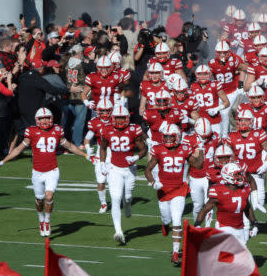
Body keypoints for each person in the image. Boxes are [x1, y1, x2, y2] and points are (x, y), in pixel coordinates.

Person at [0, 108, 88, 237]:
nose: (45, 120)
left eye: (47, 118)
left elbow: (69, 146)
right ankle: (41, 219)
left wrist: (85, 155)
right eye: (42, 118)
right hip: (37, 172)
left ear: (51, 118)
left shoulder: (57, 130)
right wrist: (2, 162)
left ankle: (47, 221)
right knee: (39, 200)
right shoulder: (31, 131)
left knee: (49, 197)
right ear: (37, 120)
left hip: (52, 170)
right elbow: (19, 149)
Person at [145, 123, 203, 264]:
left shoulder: (184, 148)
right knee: (167, 218)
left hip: (179, 189)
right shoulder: (158, 149)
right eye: (166, 137)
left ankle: (176, 253)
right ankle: (165, 224)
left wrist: (200, 149)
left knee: (177, 221)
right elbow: (148, 170)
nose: (168, 140)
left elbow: (198, 165)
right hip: (163, 190)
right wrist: (153, 182)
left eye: (171, 137)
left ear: (177, 137)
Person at [99, 105, 146, 244]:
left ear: (127, 118)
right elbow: (102, 147)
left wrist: (136, 158)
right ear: (113, 118)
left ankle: (128, 206)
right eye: (117, 118)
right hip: (115, 168)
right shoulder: (107, 129)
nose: (119, 121)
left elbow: (144, 149)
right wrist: (102, 163)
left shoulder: (133, 129)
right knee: (115, 198)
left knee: (127, 197)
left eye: (122, 118)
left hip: (130, 169)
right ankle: (118, 231)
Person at [196, 162, 258, 245]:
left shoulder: (244, 188)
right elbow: (205, 209)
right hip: (224, 227)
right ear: (228, 176)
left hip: (240, 228)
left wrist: (254, 223)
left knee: (241, 256)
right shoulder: (219, 191)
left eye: (240, 173)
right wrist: (197, 224)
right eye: (237, 174)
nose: (241, 176)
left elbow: (247, 207)